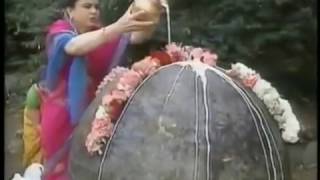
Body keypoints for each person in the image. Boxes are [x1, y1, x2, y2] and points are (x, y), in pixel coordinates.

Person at [40, 0, 161, 179]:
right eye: (87, 6)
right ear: (69, 11)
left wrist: (150, 12)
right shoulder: (59, 32)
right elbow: (74, 46)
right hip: (62, 119)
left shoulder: (100, 37)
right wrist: (118, 27)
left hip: (94, 118)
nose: (94, 11)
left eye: (96, 7)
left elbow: (135, 36)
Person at [22, 83, 44, 168]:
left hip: (42, 118)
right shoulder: (33, 96)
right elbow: (37, 126)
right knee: (33, 150)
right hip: (34, 123)